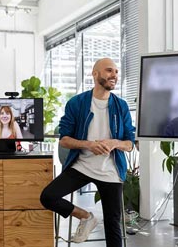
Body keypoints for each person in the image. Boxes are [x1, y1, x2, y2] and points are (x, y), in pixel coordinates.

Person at [40, 58, 135, 246]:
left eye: (116, 71)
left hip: (111, 171)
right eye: (109, 70)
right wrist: (89, 145)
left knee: (112, 224)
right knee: (48, 196)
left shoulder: (121, 106)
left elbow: (130, 144)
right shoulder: (77, 103)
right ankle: (85, 217)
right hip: (82, 167)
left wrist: (115, 142)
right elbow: (65, 140)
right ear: (95, 74)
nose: (114, 75)